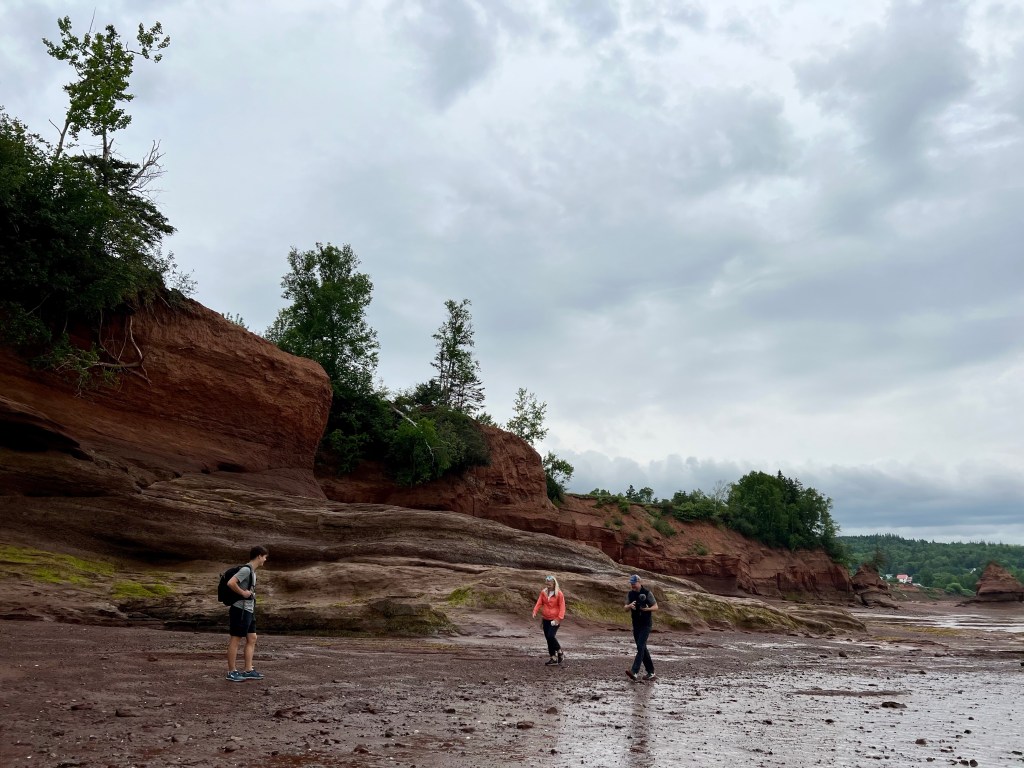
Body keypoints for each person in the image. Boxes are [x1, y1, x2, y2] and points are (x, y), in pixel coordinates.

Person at [225, 545, 268, 682]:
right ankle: (231, 672)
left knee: (252, 638)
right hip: (240, 609)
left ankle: (248, 669)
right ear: (259, 556)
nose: (265, 560)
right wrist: (243, 593)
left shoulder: (252, 572)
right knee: (236, 639)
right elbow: (231, 583)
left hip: (249, 610)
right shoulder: (246, 570)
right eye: (265, 557)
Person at [624, 573, 658, 681]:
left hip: (646, 624)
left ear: (639, 582)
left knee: (640, 645)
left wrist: (647, 609)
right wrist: (630, 606)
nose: (632, 585)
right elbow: (625, 607)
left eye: (634, 583)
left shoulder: (647, 593)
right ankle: (651, 672)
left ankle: (634, 672)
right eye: (631, 583)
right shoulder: (630, 594)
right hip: (636, 624)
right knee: (642, 647)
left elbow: (656, 607)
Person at [531, 574, 566, 665]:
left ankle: (559, 651)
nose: (548, 585)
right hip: (545, 619)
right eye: (547, 584)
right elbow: (539, 602)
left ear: (554, 584)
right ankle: (553, 658)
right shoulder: (544, 592)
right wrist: (535, 611)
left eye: (550, 584)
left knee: (551, 636)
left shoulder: (559, 594)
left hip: (555, 619)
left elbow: (562, 608)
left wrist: (558, 619)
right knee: (548, 639)